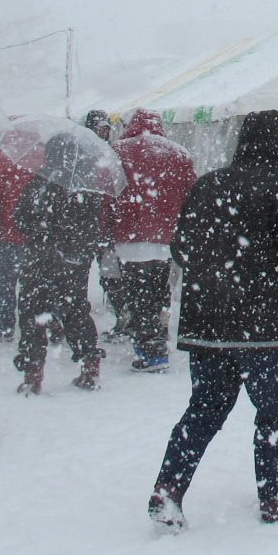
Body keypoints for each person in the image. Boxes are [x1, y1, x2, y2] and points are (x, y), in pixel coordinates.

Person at [148, 110, 278, 531]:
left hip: (205, 325)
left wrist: (221, 272)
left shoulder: (207, 185)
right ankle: (275, 498)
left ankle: (167, 490)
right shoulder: (277, 191)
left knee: (205, 408)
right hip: (260, 328)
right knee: (277, 408)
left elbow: (181, 251)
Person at [11, 134, 108, 395]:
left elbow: (20, 219)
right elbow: (92, 227)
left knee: (33, 313)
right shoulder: (87, 185)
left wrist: (42, 232)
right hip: (73, 262)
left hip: (40, 260)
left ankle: (33, 373)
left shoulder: (41, 180)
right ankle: (89, 366)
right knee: (76, 309)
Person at [110, 108, 197, 372]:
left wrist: (106, 227)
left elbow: (107, 193)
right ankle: (158, 331)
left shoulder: (117, 151)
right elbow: (190, 194)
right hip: (165, 238)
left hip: (129, 236)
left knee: (138, 293)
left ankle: (151, 350)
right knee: (159, 288)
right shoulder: (179, 152)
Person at [84, 110, 131, 338]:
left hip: (110, 227)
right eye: (99, 127)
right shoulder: (90, 154)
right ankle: (124, 316)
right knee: (109, 275)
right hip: (97, 225)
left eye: (106, 127)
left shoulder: (113, 153)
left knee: (113, 276)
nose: (104, 130)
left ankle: (124, 317)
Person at [0, 145, 35, 343]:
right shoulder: (44, 158)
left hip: (8, 234)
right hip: (35, 236)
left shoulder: (0, 161)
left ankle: (5, 325)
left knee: (5, 284)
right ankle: (34, 324)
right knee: (33, 285)